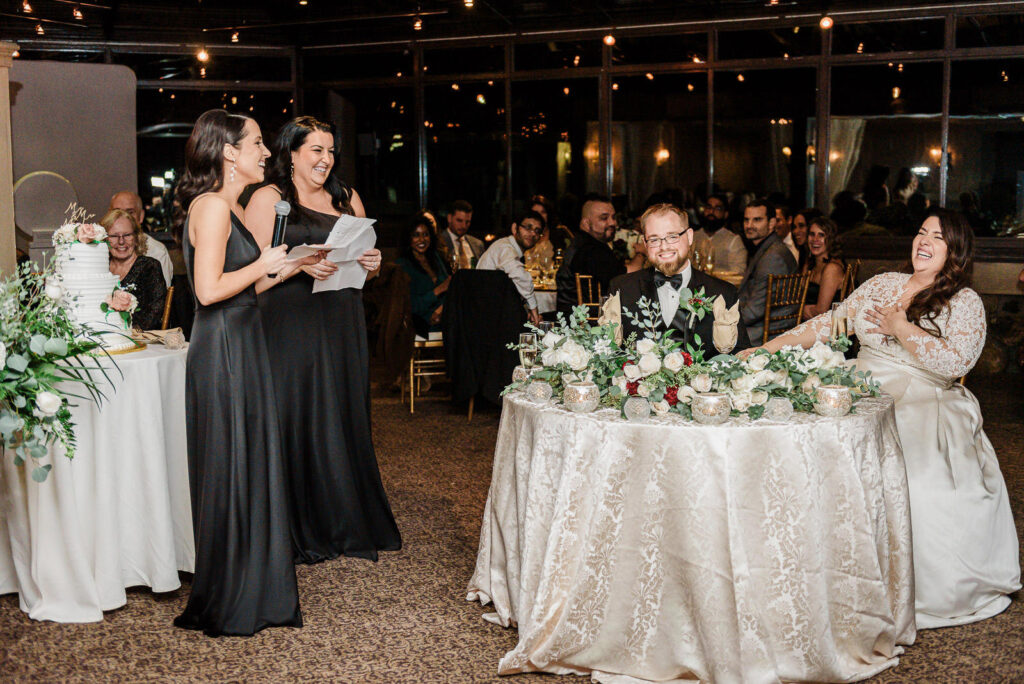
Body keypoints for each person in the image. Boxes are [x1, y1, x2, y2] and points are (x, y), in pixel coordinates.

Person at [744, 209, 1020, 629]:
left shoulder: (964, 301)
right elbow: (831, 323)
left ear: (956, 251)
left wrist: (900, 327)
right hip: (861, 384)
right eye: (922, 232)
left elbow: (956, 362)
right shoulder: (883, 283)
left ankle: (901, 586)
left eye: (938, 237)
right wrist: (767, 349)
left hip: (925, 397)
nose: (924, 241)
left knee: (911, 474)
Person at [174, 109, 318, 636]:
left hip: (243, 339)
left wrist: (294, 265)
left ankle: (251, 585)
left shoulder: (228, 207)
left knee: (248, 461)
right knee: (231, 464)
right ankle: (232, 594)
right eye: (256, 142)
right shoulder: (212, 206)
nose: (265, 152)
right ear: (229, 152)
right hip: (224, 347)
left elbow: (247, 285)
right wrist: (263, 263)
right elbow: (208, 290)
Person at [245, 115, 401, 565]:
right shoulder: (269, 198)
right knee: (298, 414)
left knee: (342, 411)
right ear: (291, 153)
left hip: (341, 318)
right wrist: (301, 264)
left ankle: (343, 519)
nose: (325, 159)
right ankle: (297, 525)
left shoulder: (346, 197)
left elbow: (364, 263)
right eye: (316, 150)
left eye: (331, 151)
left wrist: (371, 264)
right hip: (291, 323)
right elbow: (252, 276)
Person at [609, 203, 749, 350]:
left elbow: (740, 357)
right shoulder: (622, 290)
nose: (664, 247)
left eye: (672, 236)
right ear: (645, 243)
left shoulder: (723, 293)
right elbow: (607, 353)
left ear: (689, 237)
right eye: (654, 239)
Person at [555, 193, 644, 314]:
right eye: (604, 218)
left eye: (613, 217)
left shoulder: (582, 243)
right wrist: (641, 252)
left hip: (576, 315)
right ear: (586, 223)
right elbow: (628, 277)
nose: (612, 223)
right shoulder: (590, 249)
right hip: (587, 320)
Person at [736, 198, 798, 344]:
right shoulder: (769, 248)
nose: (749, 226)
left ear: (771, 223)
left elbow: (753, 312)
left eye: (757, 220)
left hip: (768, 333)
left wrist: (721, 320)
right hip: (764, 326)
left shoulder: (773, 256)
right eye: (746, 220)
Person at [99, 209, 167, 330]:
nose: (121, 241)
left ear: (136, 237)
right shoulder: (99, 267)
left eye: (127, 235)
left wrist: (123, 332)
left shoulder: (150, 266)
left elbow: (154, 315)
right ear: (105, 239)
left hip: (139, 338)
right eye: (114, 236)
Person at [476, 209, 544, 325]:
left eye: (537, 231)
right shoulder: (505, 247)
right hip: (486, 317)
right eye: (528, 227)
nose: (533, 234)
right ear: (514, 228)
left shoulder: (509, 247)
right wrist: (533, 308)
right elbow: (519, 275)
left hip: (494, 312)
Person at [396, 215, 450, 338]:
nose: (422, 239)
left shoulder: (435, 258)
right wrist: (438, 290)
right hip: (420, 328)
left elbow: (449, 289)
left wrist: (440, 310)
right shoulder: (402, 265)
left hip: (445, 320)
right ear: (408, 238)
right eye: (416, 235)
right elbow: (409, 305)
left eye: (425, 234)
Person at [109, 191, 173, 287]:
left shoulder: (156, 251)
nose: (123, 218)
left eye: (130, 212)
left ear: (141, 216)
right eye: (117, 212)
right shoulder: (99, 248)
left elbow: (160, 293)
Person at [800, 216, 845, 321]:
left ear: (831, 239)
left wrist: (798, 310)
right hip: (807, 323)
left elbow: (821, 311)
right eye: (812, 234)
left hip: (827, 326)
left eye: (821, 235)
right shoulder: (809, 264)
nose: (815, 239)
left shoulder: (832, 268)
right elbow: (798, 297)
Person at [691, 194, 747, 274]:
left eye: (717, 208)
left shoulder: (733, 240)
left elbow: (739, 271)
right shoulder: (693, 237)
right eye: (709, 207)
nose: (711, 212)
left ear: (725, 214)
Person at [439, 200, 483, 269]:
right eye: (459, 221)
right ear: (449, 218)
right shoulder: (439, 241)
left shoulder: (477, 244)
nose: (463, 226)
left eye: (467, 222)